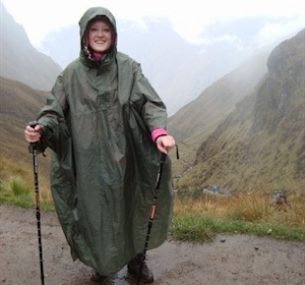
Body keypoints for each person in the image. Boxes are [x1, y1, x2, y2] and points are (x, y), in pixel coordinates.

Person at [24, 6, 176, 285]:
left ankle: (135, 263)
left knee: (133, 207)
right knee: (96, 214)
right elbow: (53, 111)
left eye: (106, 30)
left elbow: (150, 103)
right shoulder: (70, 75)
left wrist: (158, 132)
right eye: (94, 30)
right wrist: (41, 130)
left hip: (127, 158)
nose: (100, 35)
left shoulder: (129, 68)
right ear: (84, 34)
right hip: (88, 162)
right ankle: (102, 264)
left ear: (114, 35)